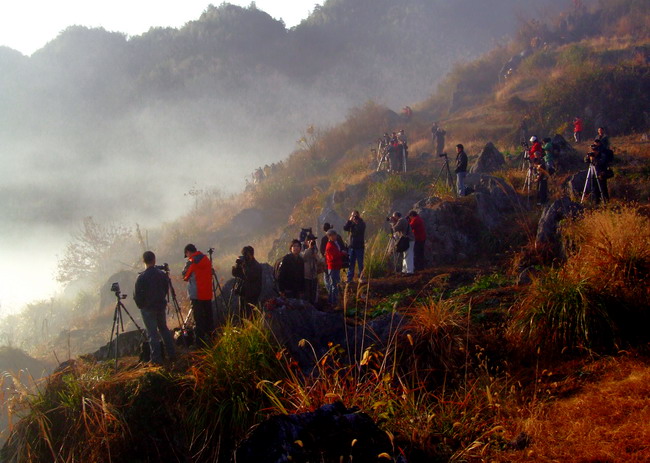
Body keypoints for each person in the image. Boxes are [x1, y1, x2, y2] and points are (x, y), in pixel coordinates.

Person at [134, 251, 176, 365]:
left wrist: (141, 306)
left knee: (152, 333)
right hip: (160, 306)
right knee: (164, 329)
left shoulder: (141, 277)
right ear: (154, 260)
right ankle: (172, 354)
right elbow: (166, 289)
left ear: (144, 261)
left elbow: (137, 295)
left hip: (148, 308)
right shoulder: (162, 274)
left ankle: (157, 359)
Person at [182, 244, 214, 346]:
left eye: (186, 255)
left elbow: (185, 276)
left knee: (199, 320)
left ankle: (200, 344)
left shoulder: (192, 261)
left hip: (196, 295)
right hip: (207, 293)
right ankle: (212, 339)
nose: (187, 257)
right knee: (209, 318)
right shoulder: (206, 259)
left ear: (188, 252)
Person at [231, 245, 263, 318]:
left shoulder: (256, 266)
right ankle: (242, 327)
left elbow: (249, 276)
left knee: (250, 315)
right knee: (242, 314)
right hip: (243, 293)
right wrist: (237, 265)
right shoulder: (244, 263)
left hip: (252, 294)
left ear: (252, 254)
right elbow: (235, 274)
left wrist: (243, 265)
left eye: (247, 254)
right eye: (244, 254)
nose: (245, 256)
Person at [343, 210, 366, 282]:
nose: (354, 217)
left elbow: (359, 230)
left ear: (359, 216)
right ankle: (349, 278)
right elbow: (345, 228)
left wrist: (357, 222)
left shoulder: (362, 223)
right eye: (353, 215)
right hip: (351, 246)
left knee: (360, 263)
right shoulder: (351, 224)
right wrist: (349, 221)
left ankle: (361, 277)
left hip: (359, 246)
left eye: (356, 216)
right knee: (351, 263)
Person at [324, 229, 346, 306]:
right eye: (333, 235)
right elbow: (333, 257)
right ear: (329, 236)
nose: (335, 236)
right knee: (334, 284)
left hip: (335, 266)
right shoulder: (330, 245)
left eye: (335, 235)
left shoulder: (333, 244)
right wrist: (342, 254)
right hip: (333, 267)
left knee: (333, 284)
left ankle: (331, 300)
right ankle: (334, 301)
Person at [301, 235, 323, 305]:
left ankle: (314, 304)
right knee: (307, 291)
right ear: (306, 241)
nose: (312, 242)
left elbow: (319, 260)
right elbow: (303, 257)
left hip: (314, 274)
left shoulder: (315, 249)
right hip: (306, 274)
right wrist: (309, 248)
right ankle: (307, 305)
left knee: (314, 291)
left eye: (313, 240)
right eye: (310, 240)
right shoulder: (302, 247)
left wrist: (315, 256)